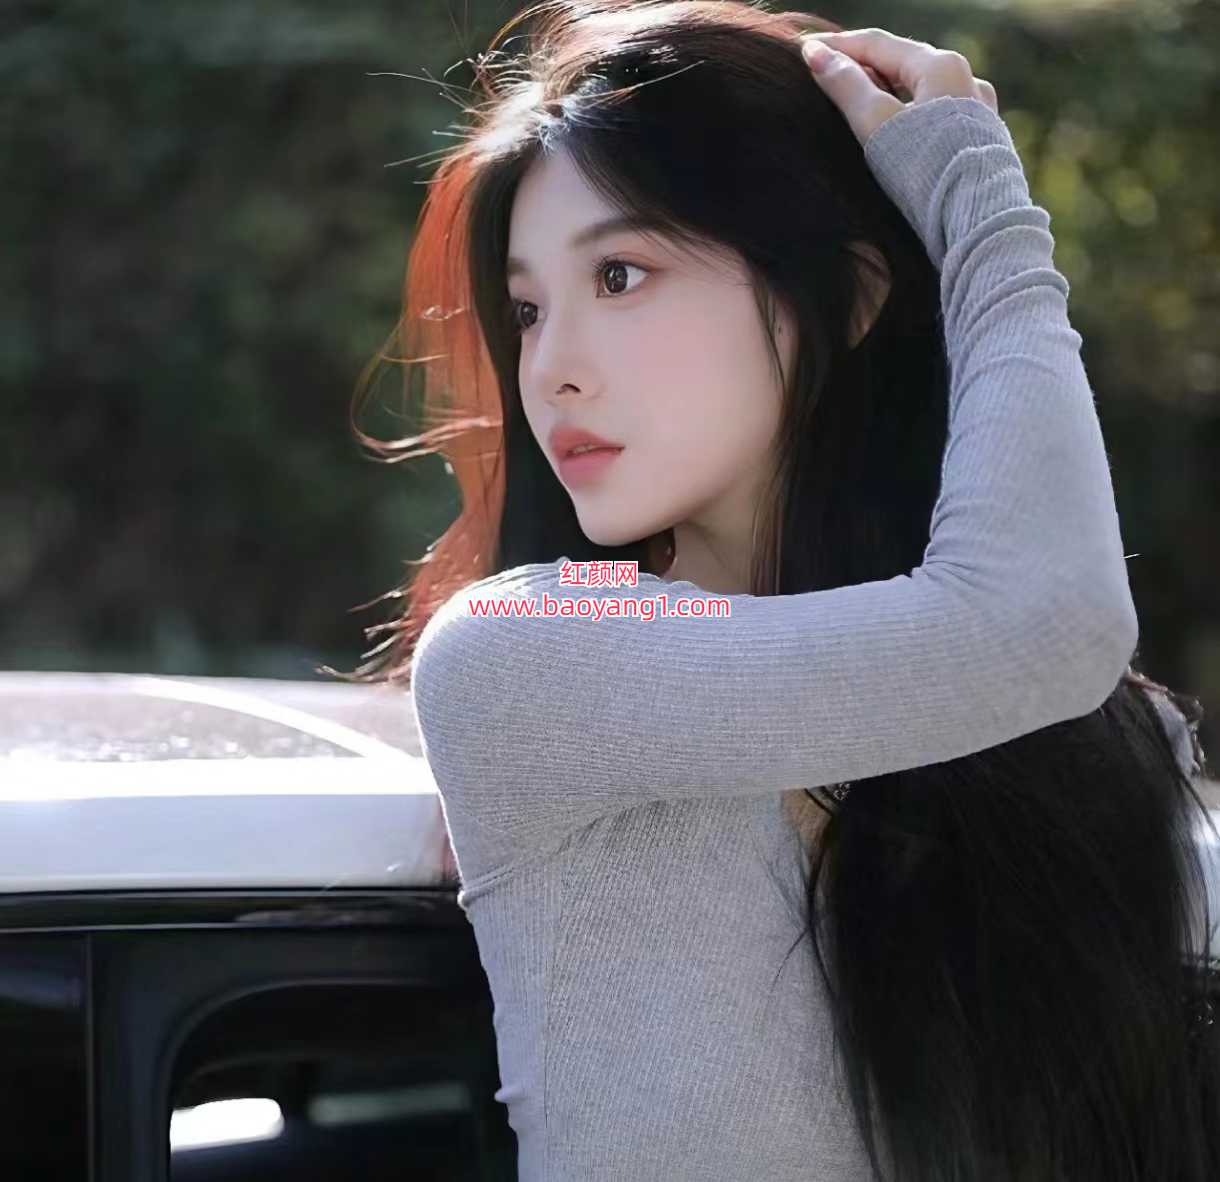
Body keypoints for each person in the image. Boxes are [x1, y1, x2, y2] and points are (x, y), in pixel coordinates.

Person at [336, 3, 1219, 1178]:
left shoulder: (1088, 748)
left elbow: (1035, 630)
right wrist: (986, 217)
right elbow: (1042, 626)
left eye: (619, 274)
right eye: (528, 309)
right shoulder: (524, 659)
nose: (550, 369)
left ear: (846, 299)